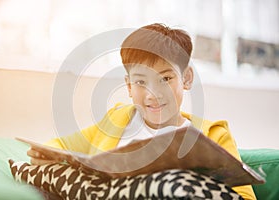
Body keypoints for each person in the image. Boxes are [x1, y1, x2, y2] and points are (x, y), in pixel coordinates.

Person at [27, 23, 256, 199]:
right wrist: (44, 156)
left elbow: (243, 196)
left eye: (165, 79)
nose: (152, 94)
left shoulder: (213, 135)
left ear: (186, 79)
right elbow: (62, 146)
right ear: (128, 86)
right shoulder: (116, 119)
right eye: (140, 82)